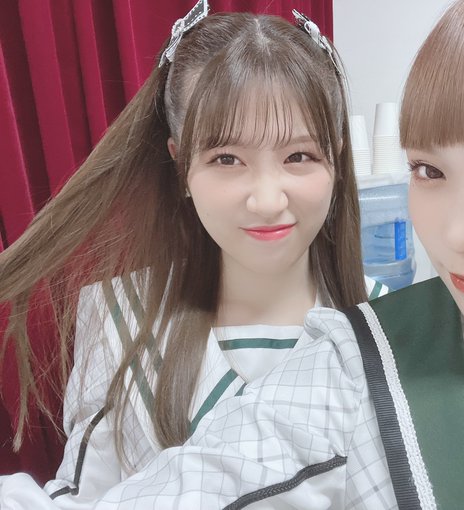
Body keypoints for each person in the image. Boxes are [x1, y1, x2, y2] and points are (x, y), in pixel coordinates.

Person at [0, 1, 387, 506]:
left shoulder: (388, 324)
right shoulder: (123, 319)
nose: (267, 200)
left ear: (336, 157)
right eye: (226, 159)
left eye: (299, 156)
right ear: (180, 164)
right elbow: (83, 497)